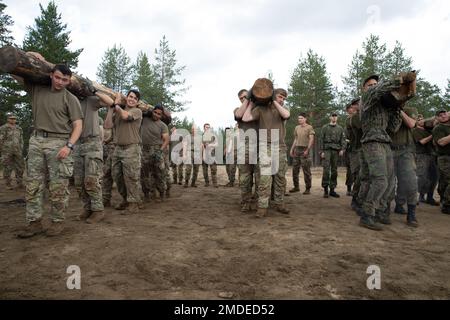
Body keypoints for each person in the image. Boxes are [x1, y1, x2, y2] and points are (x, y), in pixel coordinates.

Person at [14, 61, 83, 238]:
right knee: (33, 184)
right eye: (58, 77)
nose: (60, 82)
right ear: (51, 75)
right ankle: (34, 222)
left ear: (69, 81)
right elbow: (15, 72)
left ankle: (57, 221)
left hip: (59, 142)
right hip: (36, 140)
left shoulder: (70, 99)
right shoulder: (37, 89)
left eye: (65, 80)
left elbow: (78, 126)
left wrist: (69, 146)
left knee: (58, 186)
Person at [358, 72, 416, 230]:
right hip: (372, 141)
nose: (374, 86)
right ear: (364, 88)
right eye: (370, 84)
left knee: (390, 181)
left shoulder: (383, 106)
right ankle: (367, 214)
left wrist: (398, 107)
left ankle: (380, 211)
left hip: (384, 141)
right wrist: (400, 80)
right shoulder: (368, 98)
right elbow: (379, 90)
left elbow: (393, 127)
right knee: (380, 179)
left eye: (375, 83)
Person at [242, 80, 290, 217]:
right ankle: (262, 207)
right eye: (280, 97)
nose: (282, 100)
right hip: (265, 146)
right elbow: (245, 118)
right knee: (265, 177)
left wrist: (274, 102)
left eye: (284, 98)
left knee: (280, 177)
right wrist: (251, 101)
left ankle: (279, 203)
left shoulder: (282, 110)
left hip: (280, 146)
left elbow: (286, 115)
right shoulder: (260, 109)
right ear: (273, 95)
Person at [73, 91, 114, 224]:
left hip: (92, 143)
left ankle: (98, 210)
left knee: (91, 179)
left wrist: (94, 90)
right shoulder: (69, 100)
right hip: (77, 144)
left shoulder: (90, 100)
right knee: (79, 182)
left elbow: (110, 102)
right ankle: (87, 208)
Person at [104, 90, 143, 214]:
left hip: (132, 148)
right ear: (126, 98)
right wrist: (111, 108)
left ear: (137, 102)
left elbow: (126, 116)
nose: (132, 99)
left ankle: (133, 204)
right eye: (130, 96)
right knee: (117, 176)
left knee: (131, 177)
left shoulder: (137, 111)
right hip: (118, 148)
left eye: (135, 98)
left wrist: (116, 105)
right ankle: (126, 199)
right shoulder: (118, 112)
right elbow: (107, 125)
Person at [389, 106, 419, 227]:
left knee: (410, 182)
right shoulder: (384, 110)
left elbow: (411, 124)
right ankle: (384, 209)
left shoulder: (408, 109)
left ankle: (410, 212)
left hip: (405, 151)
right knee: (388, 182)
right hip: (388, 150)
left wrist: (399, 110)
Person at [234, 89, 259, 212]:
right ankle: (246, 202)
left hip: (260, 146)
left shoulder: (259, 110)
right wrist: (248, 100)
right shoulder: (238, 110)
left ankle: (260, 202)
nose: (243, 99)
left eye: (245, 96)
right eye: (241, 98)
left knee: (260, 177)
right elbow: (239, 115)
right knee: (245, 177)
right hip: (245, 147)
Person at [140, 104, 169, 202]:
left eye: (159, 114)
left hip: (157, 150)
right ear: (152, 111)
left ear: (161, 115)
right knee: (144, 174)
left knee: (160, 173)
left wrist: (160, 151)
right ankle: (146, 195)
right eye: (155, 112)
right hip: (144, 150)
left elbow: (166, 140)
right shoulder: (144, 119)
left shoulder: (163, 125)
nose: (156, 115)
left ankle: (161, 194)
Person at [413, 114, 439, 206]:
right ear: (415, 122)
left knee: (434, 177)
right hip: (421, 155)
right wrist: (432, 135)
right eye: (418, 119)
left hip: (432, 155)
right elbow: (422, 142)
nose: (421, 120)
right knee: (421, 176)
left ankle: (430, 197)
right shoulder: (415, 130)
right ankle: (418, 196)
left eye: (422, 119)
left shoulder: (429, 130)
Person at [320, 113, 346, 198]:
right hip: (327, 150)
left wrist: (342, 149)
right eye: (332, 116)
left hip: (336, 151)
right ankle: (325, 190)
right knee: (326, 170)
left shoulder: (340, 128)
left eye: (335, 116)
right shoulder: (325, 127)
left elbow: (343, 140)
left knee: (334, 170)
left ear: (337, 118)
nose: (334, 117)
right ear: (330, 117)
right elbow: (321, 139)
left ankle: (332, 189)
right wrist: (321, 151)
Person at [289, 113, 315, 195]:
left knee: (306, 170)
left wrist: (307, 150)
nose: (299, 119)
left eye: (301, 118)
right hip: (297, 149)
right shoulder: (297, 127)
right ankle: (296, 187)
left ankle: (308, 188)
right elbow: (295, 139)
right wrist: (292, 149)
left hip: (305, 149)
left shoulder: (309, 127)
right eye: (298, 118)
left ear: (305, 119)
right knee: (295, 170)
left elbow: (311, 139)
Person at [0, 113, 25, 190]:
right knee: (7, 167)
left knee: (20, 166)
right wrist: (1, 149)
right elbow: (1, 139)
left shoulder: (19, 128)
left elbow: (21, 139)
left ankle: (20, 183)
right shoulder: (3, 128)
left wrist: (21, 147)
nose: (13, 120)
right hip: (7, 150)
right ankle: (8, 183)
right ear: (8, 119)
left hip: (17, 150)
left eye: (14, 118)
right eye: (11, 118)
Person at [432, 110, 450, 214]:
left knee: (444, 181)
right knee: (447, 180)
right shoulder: (439, 128)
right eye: (440, 115)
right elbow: (441, 142)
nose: (443, 116)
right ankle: (447, 205)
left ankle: (444, 199)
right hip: (444, 158)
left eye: (445, 114)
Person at [202, 123, 219, 188]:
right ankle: (207, 183)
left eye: (209, 127)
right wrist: (203, 156)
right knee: (205, 170)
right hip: (205, 154)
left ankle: (215, 183)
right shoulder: (202, 136)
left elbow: (217, 144)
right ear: (204, 128)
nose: (208, 128)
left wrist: (211, 145)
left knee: (214, 169)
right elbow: (202, 147)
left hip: (212, 155)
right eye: (206, 127)